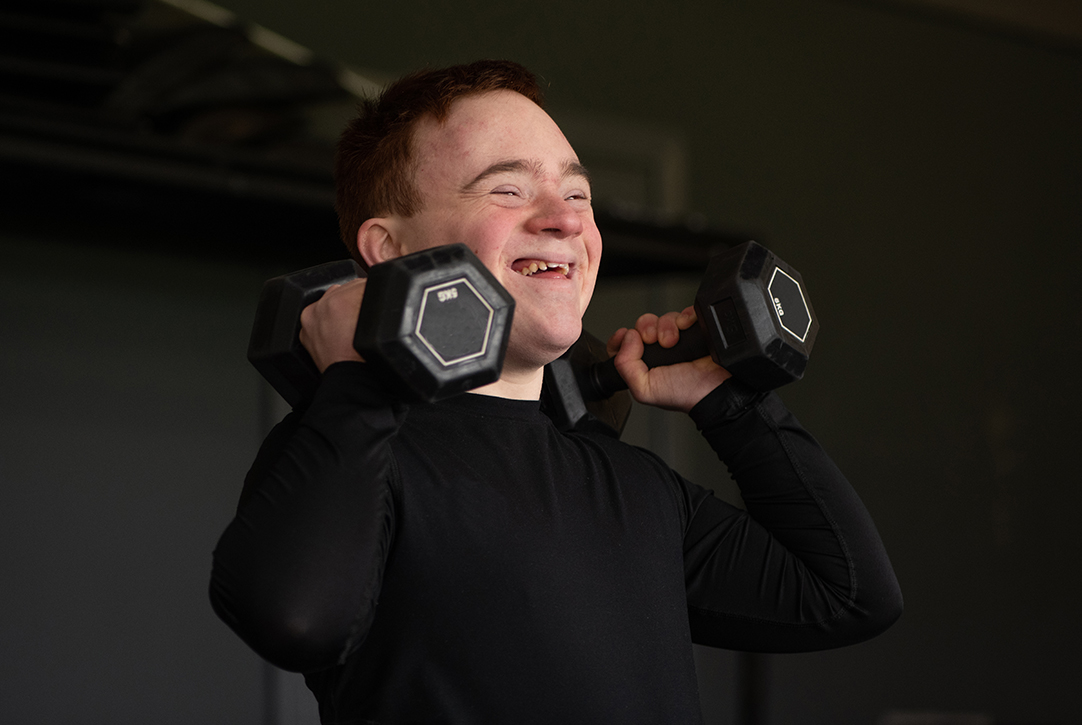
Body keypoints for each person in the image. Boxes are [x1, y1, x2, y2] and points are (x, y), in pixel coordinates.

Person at [209, 59, 902, 724]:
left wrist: (731, 403)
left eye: (577, 194)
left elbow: (847, 593)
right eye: (507, 189)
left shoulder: (635, 485)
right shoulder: (353, 453)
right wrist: (355, 385)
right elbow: (295, 620)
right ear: (389, 249)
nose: (566, 219)